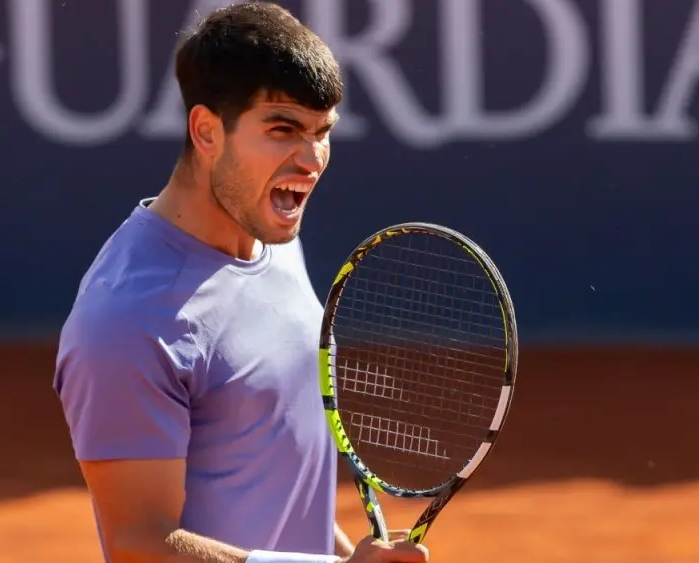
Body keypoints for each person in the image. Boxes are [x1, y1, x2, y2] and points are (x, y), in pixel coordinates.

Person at [52, 2, 431, 562]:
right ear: (206, 131)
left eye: (322, 132)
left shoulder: (272, 239)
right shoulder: (126, 319)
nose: (311, 159)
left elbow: (274, 482)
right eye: (283, 130)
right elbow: (140, 543)